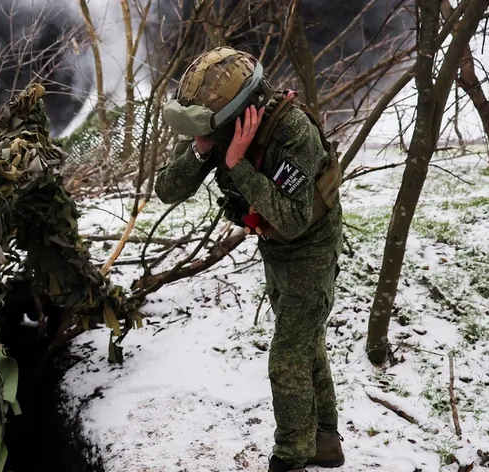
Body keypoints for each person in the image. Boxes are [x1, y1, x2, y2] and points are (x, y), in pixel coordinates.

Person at [155, 46, 346, 472]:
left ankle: (292, 455)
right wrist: (202, 149)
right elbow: (167, 189)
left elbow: (296, 219)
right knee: (304, 341)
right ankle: (326, 442)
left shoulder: (292, 131)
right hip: (274, 243)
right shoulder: (221, 130)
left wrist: (237, 165)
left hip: (310, 246)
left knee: (287, 355)